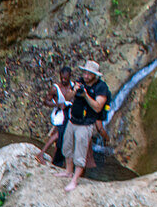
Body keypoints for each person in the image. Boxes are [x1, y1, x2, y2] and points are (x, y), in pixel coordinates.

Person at [58, 61, 111, 192]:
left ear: (95, 75)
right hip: (73, 120)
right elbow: (67, 97)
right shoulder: (79, 81)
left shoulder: (101, 87)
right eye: (85, 73)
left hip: (86, 124)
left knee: (80, 153)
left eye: (89, 74)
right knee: (67, 146)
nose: (86, 76)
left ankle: (75, 180)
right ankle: (68, 171)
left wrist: (86, 95)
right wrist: (75, 90)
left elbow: (98, 107)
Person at [35, 66, 75, 166]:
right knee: (57, 135)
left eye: (66, 78)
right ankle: (41, 154)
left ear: (70, 76)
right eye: (62, 78)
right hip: (59, 115)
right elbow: (46, 101)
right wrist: (57, 104)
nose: (64, 80)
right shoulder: (55, 88)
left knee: (62, 138)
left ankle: (57, 161)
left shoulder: (73, 86)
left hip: (69, 114)